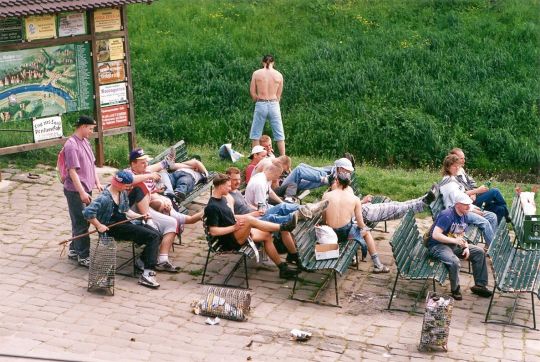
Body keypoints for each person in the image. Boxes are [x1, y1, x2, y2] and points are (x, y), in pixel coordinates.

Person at [204, 173, 298, 279]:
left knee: (267, 235)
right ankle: (283, 227)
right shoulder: (212, 207)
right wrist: (234, 227)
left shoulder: (223, 199)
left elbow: (230, 218)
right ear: (221, 186)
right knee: (249, 220)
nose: (230, 188)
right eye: (228, 186)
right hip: (229, 240)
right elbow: (213, 231)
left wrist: (246, 218)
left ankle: (283, 268)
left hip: (236, 232)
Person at [127, 148, 203, 272]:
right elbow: (129, 181)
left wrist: (164, 200)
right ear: (133, 164)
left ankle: (162, 259)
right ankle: (143, 260)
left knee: (172, 221)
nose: (146, 164)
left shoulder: (146, 171)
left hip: (150, 207)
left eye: (146, 162)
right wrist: (149, 176)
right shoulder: (127, 173)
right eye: (142, 162)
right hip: (137, 211)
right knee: (159, 226)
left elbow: (161, 167)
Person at [83, 171, 162, 289]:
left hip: (124, 223)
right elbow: (87, 213)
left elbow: (126, 211)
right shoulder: (104, 198)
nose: (129, 187)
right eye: (127, 185)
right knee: (152, 236)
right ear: (118, 184)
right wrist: (99, 225)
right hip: (112, 228)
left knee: (158, 234)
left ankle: (142, 262)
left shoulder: (122, 192)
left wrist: (139, 216)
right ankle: (147, 274)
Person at [322, 163, 390, 273]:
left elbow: (324, 219)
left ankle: (353, 258)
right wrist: (362, 229)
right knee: (366, 232)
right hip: (345, 234)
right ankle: (378, 264)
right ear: (348, 184)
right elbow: (360, 223)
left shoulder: (326, 196)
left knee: (352, 227)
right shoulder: (354, 199)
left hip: (331, 233)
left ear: (337, 181)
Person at [426, 193, 492, 300]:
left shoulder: (464, 215)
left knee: (479, 252)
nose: (468, 207)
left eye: (469, 204)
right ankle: (455, 290)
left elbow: (460, 234)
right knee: (454, 261)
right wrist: (454, 240)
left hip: (452, 244)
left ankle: (480, 285)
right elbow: (436, 235)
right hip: (437, 245)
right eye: (465, 204)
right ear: (457, 205)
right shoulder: (447, 215)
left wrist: (465, 246)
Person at [63, 115, 103, 267]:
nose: (92, 132)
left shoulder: (85, 142)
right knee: (81, 221)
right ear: (83, 127)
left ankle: (74, 249)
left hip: (87, 187)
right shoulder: (71, 145)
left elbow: (92, 164)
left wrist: (97, 182)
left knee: (82, 220)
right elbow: (72, 172)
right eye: (91, 129)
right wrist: (81, 193)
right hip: (75, 190)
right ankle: (83, 255)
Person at [439, 154, 497, 247]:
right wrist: (472, 210)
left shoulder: (453, 178)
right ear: (447, 167)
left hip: (464, 209)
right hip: (457, 213)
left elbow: (463, 197)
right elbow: (459, 203)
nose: (457, 168)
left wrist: (473, 207)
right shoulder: (448, 183)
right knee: (485, 222)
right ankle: (493, 251)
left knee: (492, 216)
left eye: (458, 165)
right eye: (454, 166)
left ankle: (489, 246)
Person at [450, 148, 510, 223]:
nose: (464, 161)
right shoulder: (453, 175)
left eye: (464, 158)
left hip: (474, 196)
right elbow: (461, 194)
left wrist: (474, 192)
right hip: (468, 203)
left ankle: (494, 231)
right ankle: (508, 215)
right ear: (454, 159)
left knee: (501, 209)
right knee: (495, 191)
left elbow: (472, 182)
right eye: (461, 158)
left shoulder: (461, 170)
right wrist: (476, 191)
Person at [249, 54, 286, 156]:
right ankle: (283, 158)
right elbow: (279, 95)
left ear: (263, 62)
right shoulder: (279, 75)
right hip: (274, 104)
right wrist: (274, 101)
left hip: (261, 103)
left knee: (256, 134)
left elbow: (252, 92)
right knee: (279, 134)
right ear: (273, 63)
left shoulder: (256, 73)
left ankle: (255, 158)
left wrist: (257, 99)